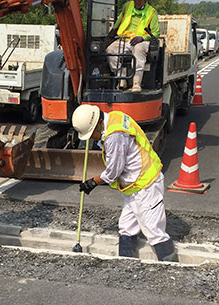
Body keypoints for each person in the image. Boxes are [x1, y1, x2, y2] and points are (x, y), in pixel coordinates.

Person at [72, 104, 177, 262]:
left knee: (153, 231)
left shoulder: (114, 136)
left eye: (90, 134)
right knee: (127, 227)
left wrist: (92, 183)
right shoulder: (115, 117)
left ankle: (170, 266)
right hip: (133, 186)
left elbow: (114, 172)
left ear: (97, 124)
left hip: (145, 184)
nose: (91, 139)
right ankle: (126, 263)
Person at [106, 0, 160, 92]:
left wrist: (142, 38)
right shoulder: (128, 5)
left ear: (145, 1)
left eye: (139, 1)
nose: (137, 2)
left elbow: (156, 33)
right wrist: (113, 32)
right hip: (125, 39)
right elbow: (120, 21)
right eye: (135, 1)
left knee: (139, 50)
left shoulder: (151, 12)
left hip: (141, 40)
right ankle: (121, 78)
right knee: (110, 50)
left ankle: (136, 83)